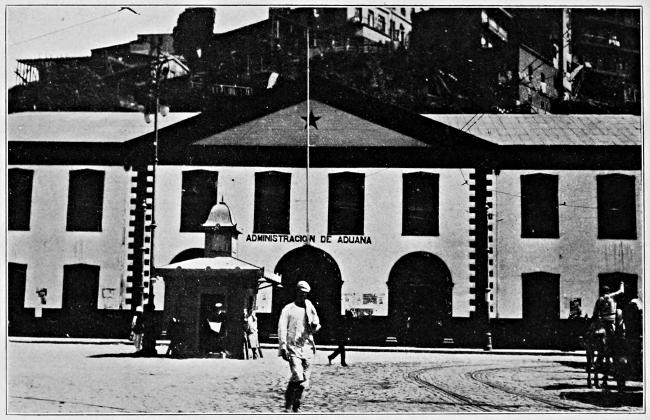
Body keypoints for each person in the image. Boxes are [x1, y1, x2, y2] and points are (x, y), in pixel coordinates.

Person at [278, 281, 321, 413]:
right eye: (301, 293)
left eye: (306, 294)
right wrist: (283, 346)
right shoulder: (288, 309)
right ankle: (288, 404)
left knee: (304, 382)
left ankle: (297, 406)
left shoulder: (309, 307)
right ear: (297, 292)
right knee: (297, 375)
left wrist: (315, 326)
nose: (303, 296)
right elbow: (282, 328)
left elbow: (316, 324)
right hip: (293, 347)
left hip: (308, 347)